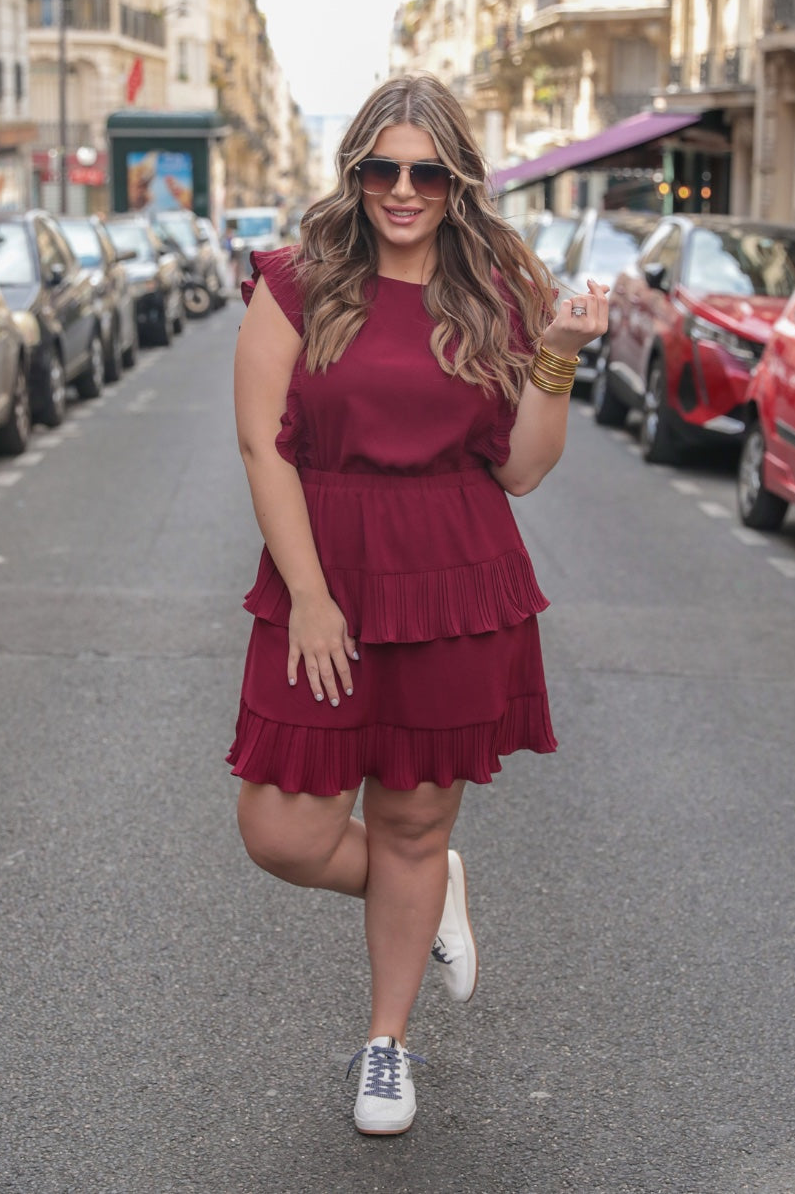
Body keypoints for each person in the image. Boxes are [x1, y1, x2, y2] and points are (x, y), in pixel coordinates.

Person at [228, 74, 607, 1137]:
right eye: (381, 169)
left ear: (456, 182)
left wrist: (561, 355)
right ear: (355, 175)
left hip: (454, 574)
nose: (402, 189)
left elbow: (523, 470)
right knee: (280, 826)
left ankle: (386, 1042)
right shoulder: (297, 284)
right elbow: (263, 443)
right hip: (324, 569)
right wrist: (307, 594)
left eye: (425, 171)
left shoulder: (497, 291)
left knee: (409, 819)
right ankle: (430, 889)